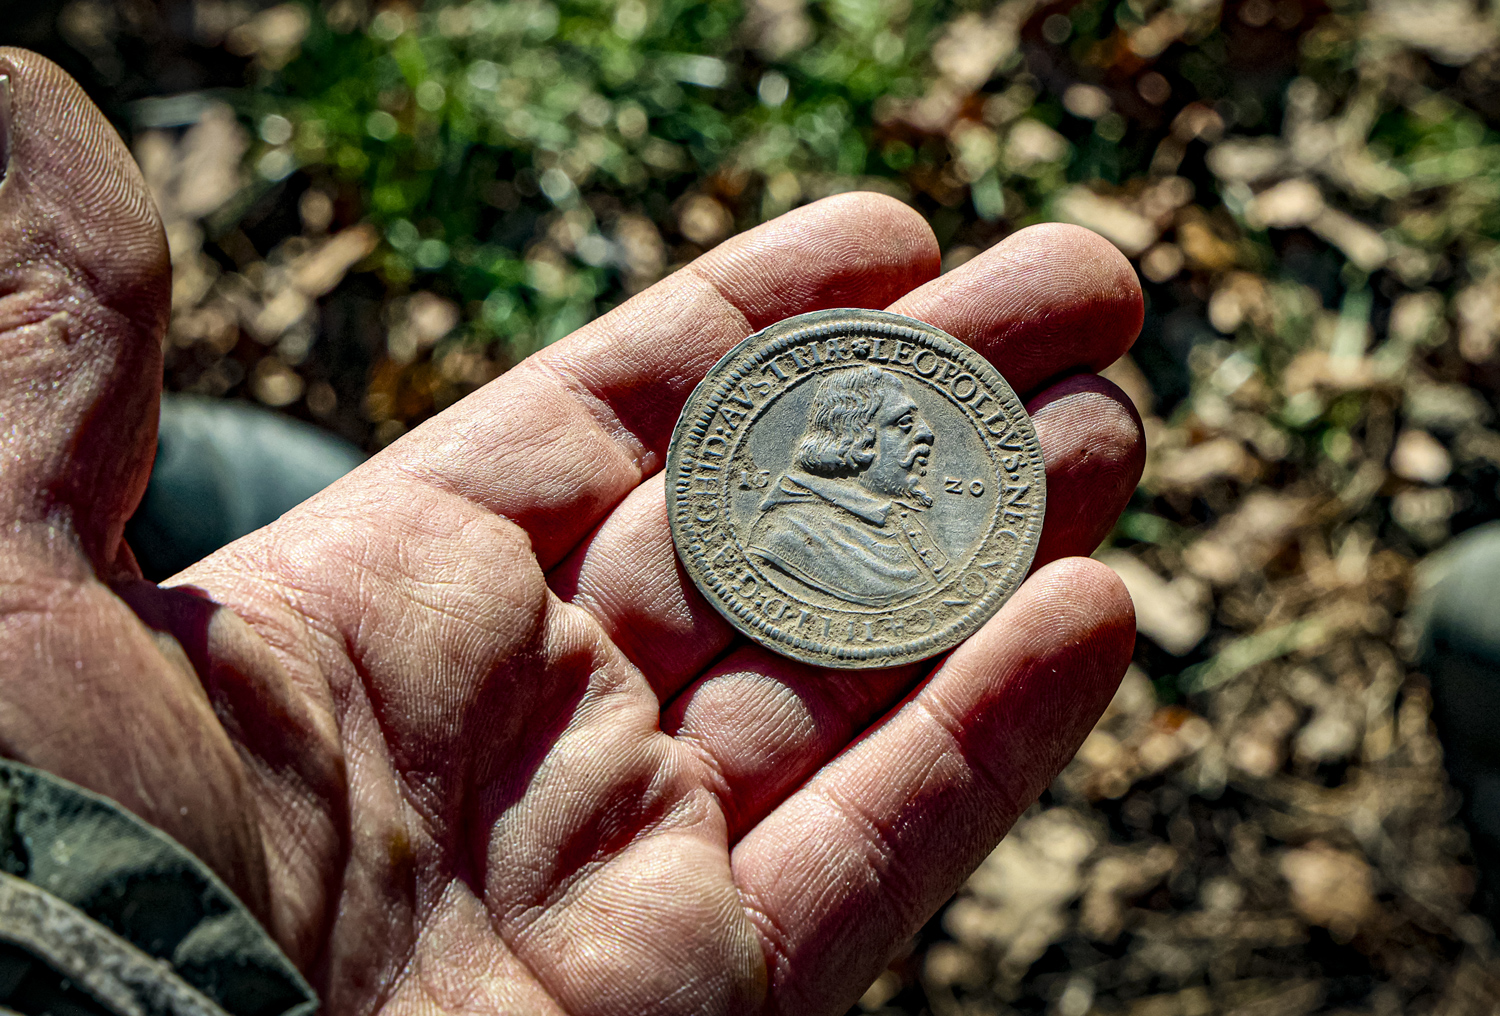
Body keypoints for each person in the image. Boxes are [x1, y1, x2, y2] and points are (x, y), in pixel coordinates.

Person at [0, 48, 1146, 1016]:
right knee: (257, 512)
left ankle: (198, 499)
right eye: (897, 431)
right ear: (840, 448)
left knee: (229, 511)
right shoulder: (825, 540)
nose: (920, 450)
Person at [748, 365, 944, 607]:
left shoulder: (890, 518)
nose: (926, 433)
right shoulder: (787, 535)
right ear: (854, 438)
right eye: (904, 422)